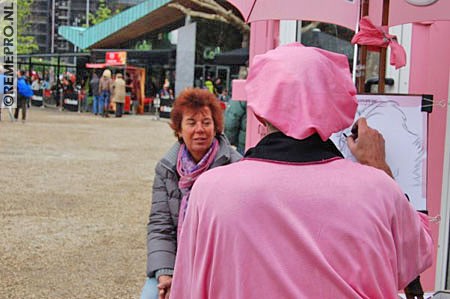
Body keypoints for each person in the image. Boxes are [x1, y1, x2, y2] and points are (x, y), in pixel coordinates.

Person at [169, 43, 434, 298]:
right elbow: (415, 258)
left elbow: (186, 289)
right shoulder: (379, 190)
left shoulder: (210, 190)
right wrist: (379, 167)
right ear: (336, 106)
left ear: (260, 114)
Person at [140, 88, 242, 299]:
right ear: (178, 129)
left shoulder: (236, 165)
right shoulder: (166, 169)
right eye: (191, 122)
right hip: (178, 260)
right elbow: (161, 226)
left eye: (206, 122)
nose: (200, 129)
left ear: (216, 127)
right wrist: (165, 273)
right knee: (150, 296)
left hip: (220, 265)